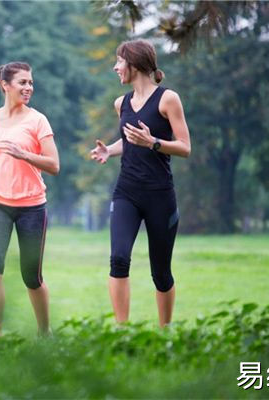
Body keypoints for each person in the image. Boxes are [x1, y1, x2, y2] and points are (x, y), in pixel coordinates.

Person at [90, 40, 191, 327]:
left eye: (119, 61)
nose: (115, 67)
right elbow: (130, 139)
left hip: (160, 195)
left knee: (160, 272)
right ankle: (121, 331)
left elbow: (184, 147)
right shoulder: (121, 103)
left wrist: (154, 142)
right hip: (127, 192)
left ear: (134, 63)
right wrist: (109, 150)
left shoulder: (168, 99)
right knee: (118, 259)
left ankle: (164, 332)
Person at [0, 61, 60, 336]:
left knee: (31, 277)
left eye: (30, 83)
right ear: (5, 85)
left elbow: (54, 164)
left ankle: (45, 333)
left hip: (31, 206)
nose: (28, 87)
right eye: (23, 82)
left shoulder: (37, 120)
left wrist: (25, 155)